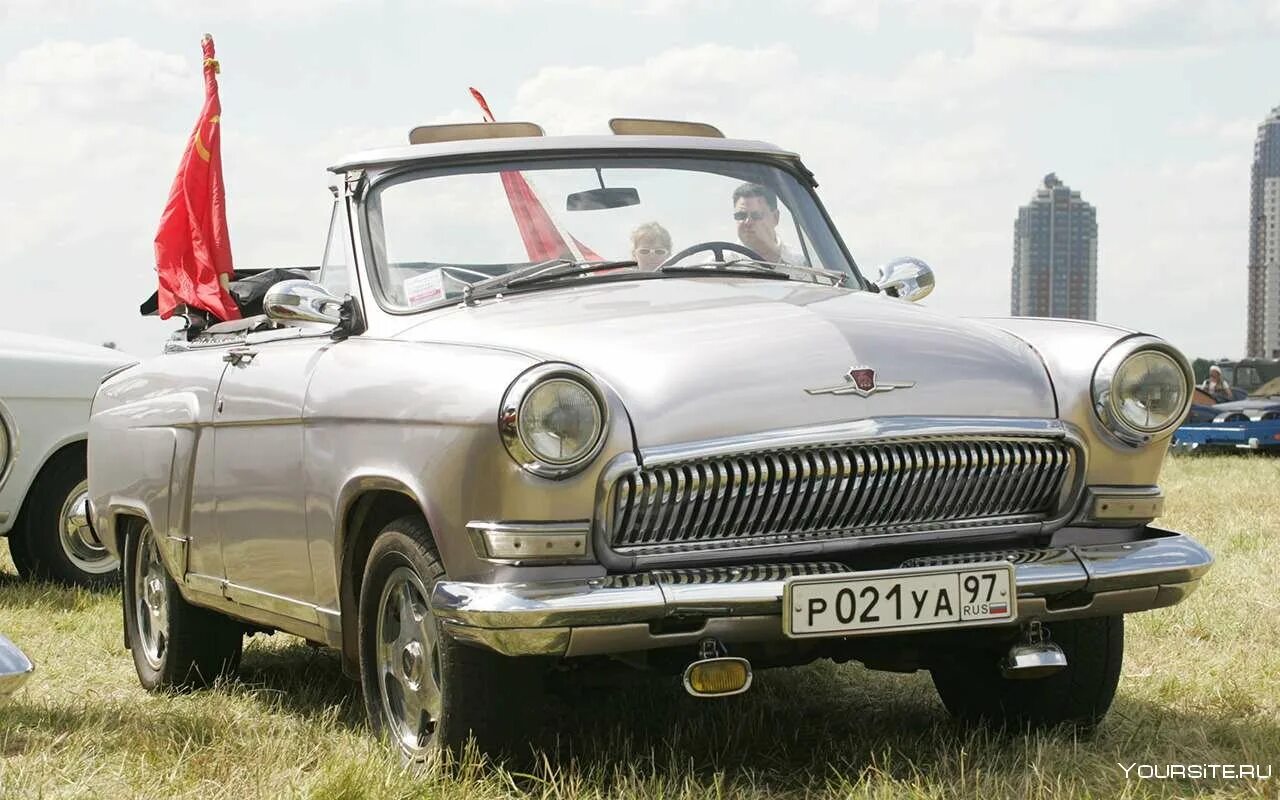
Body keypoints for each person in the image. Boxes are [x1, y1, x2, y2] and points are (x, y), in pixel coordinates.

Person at [731, 182, 803, 265]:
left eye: (756, 215)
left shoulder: (802, 265)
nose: (748, 222)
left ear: (775, 217)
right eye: (741, 216)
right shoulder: (719, 265)